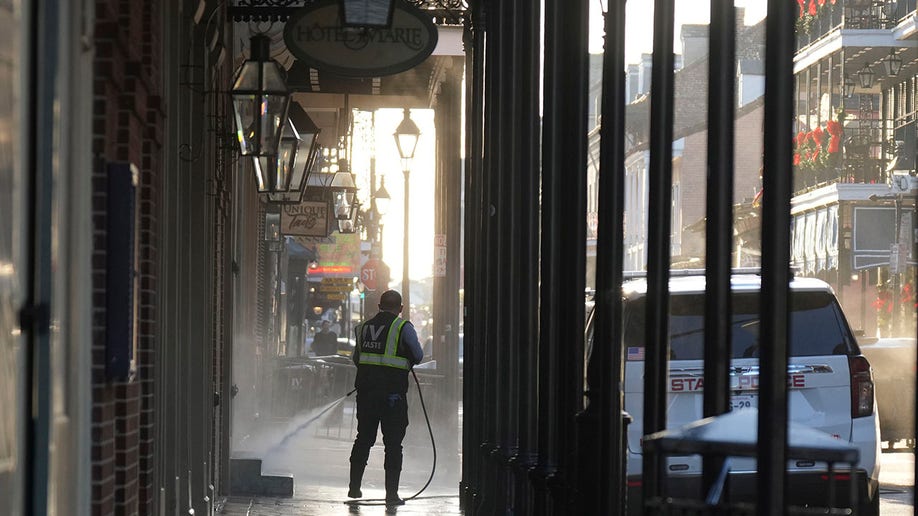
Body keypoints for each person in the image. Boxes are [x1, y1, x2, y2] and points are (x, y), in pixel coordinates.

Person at [348, 290, 423, 506]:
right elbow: (417, 356)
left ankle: (354, 488)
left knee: (363, 438)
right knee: (393, 445)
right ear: (400, 308)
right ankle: (391, 495)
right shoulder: (403, 327)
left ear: (380, 305)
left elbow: (357, 359)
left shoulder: (362, 328)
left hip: (367, 395)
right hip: (393, 397)